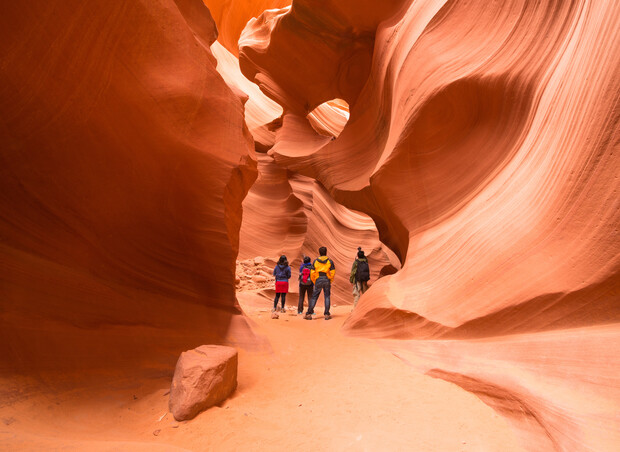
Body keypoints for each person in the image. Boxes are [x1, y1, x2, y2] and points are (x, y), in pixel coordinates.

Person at [305, 246, 336, 320]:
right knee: (327, 296)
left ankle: (309, 314)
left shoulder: (316, 261)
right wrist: (330, 280)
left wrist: (314, 281)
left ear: (319, 253)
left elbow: (312, 272)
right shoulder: (329, 261)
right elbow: (333, 272)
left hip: (318, 279)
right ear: (326, 252)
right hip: (326, 279)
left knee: (314, 297)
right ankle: (326, 314)